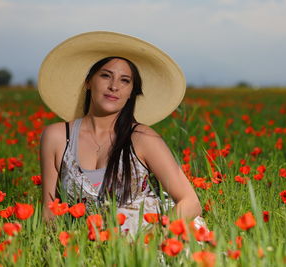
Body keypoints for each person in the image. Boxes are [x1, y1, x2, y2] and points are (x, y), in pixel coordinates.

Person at [39, 31, 205, 237]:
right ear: (89, 82)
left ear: (131, 93)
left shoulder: (142, 138)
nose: (114, 86)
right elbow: (49, 209)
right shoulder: (56, 136)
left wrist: (152, 238)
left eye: (125, 80)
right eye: (106, 75)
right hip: (90, 240)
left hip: (152, 233)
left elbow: (191, 202)